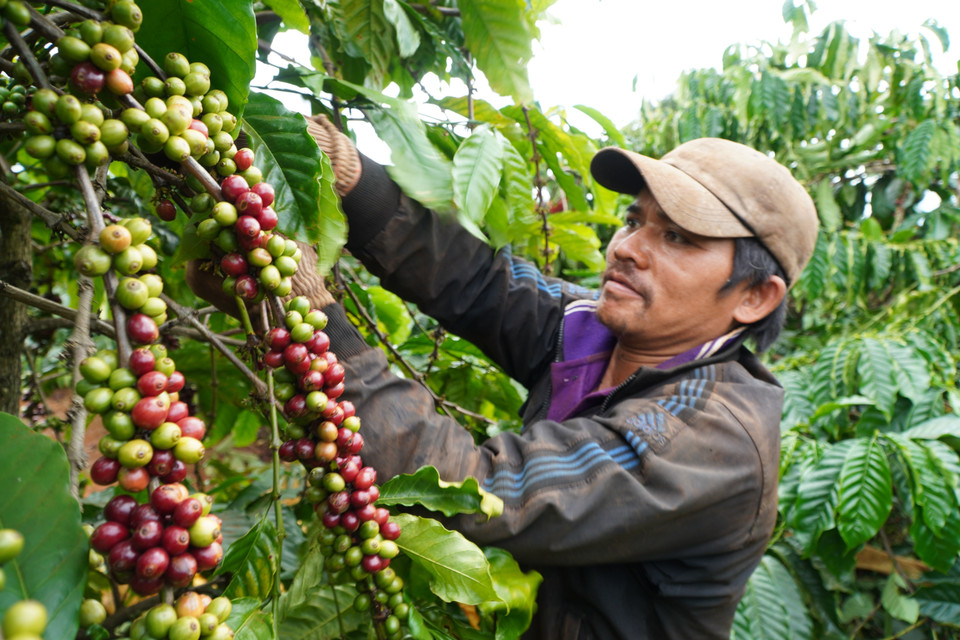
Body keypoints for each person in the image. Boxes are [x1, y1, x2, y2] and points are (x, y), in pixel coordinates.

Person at [191, 118, 819, 639]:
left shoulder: (714, 441)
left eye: (677, 237)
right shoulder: (597, 329)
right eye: (634, 221)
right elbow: (484, 285)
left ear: (755, 298)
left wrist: (311, 317)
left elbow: (483, 491)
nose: (628, 247)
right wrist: (356, 181)